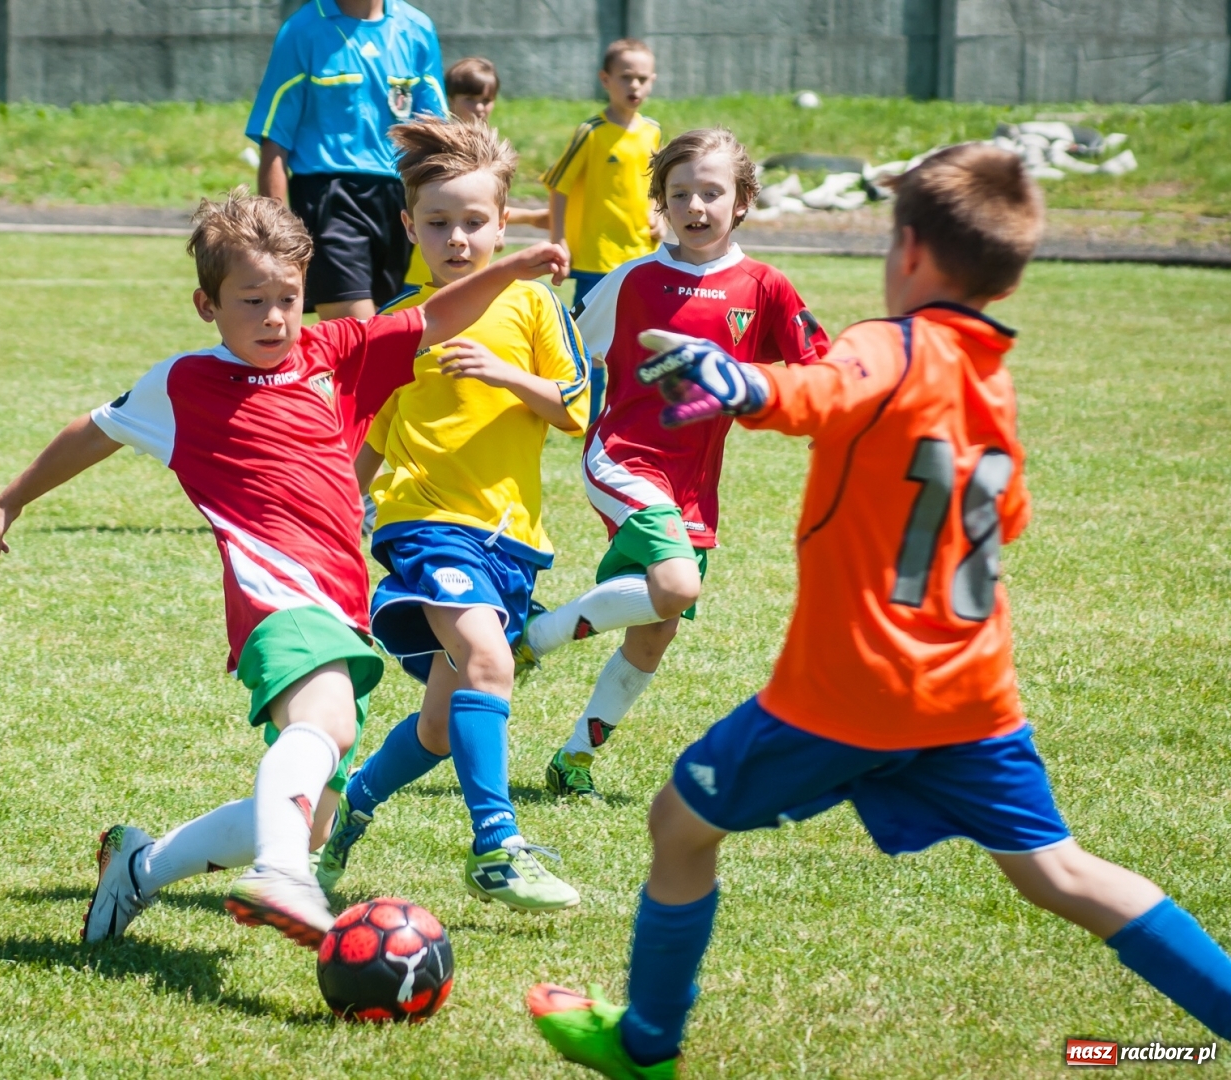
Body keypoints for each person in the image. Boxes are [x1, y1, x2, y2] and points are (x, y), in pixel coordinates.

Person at [526, 144, 1231, 1079]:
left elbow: (821, 385)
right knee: (1060, 873)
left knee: (678, 824)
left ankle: (649, 1044)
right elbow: (998, 516)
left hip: (847, 690)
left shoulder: (886, 343)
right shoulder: (994, 382)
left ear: (904, 251)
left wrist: (742, 383)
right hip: (972, 697)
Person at [0, 189, 569, 949]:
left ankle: (141, 867)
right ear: (205, 305)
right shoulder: (184, 385)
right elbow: (93, 431)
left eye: (289, 299)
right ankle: (283, 875)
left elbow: (436, 319)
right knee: (327, 722)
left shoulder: (337, 354)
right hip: (273, 597)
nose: (275, 317)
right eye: (252, 301)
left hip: (340, 601)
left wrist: (511, 268)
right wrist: (8, 502)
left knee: (311, 810)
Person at [313, 117, 591, 913]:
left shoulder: (535, 306)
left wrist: (504, 373)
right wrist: (333, 518)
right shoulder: (401, 322)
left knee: (439, 726)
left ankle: (350, 813)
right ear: (409, 226)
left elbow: (574, 408)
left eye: (474, 223)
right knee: (490, 663)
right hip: (425, 526)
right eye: (438, 223)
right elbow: (366, 444)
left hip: (512, 541)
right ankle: (498, 845)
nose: (458, 238)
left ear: (506, 224)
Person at [521, 128, 828, 801]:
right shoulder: (632, 280)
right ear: (659, 204)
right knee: (679, 586)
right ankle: (533, 638)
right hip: (623, 458)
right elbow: (569, 349)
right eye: (679, 193)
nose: (695, 206)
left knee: (654, 633)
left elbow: (818, 371)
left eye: (711, 193)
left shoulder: (765, 287)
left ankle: (573, 760)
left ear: (742, 201)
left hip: (695, 484)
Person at [247, 0, 445, 321]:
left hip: (399, 200)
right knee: (356, 330)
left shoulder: (417, 29)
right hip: (328, 200)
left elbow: (437, 138)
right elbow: (275, 138)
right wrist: (274, 231)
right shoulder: (302, 31)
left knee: (385, 325)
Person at [543, 38, 662, 422]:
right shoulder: (590, 132)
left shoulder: (652, 132)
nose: (635, 87)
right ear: (605, 80)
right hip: (596, 257)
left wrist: (656, 215)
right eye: (626, 77)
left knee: (637, 336)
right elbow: (558, 185)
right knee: (589, 340)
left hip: (640, 254)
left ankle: (627, 411)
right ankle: (586, 413)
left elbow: (652, 185)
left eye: (643, 79)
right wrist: (558, 238)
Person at [401, 58, 550, 289]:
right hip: (424, 278)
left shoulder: (487, 149)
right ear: (450, 100)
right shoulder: (440, 149)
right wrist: (531, 218)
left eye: (486, 100)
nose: (479, 108)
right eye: (470, 99)